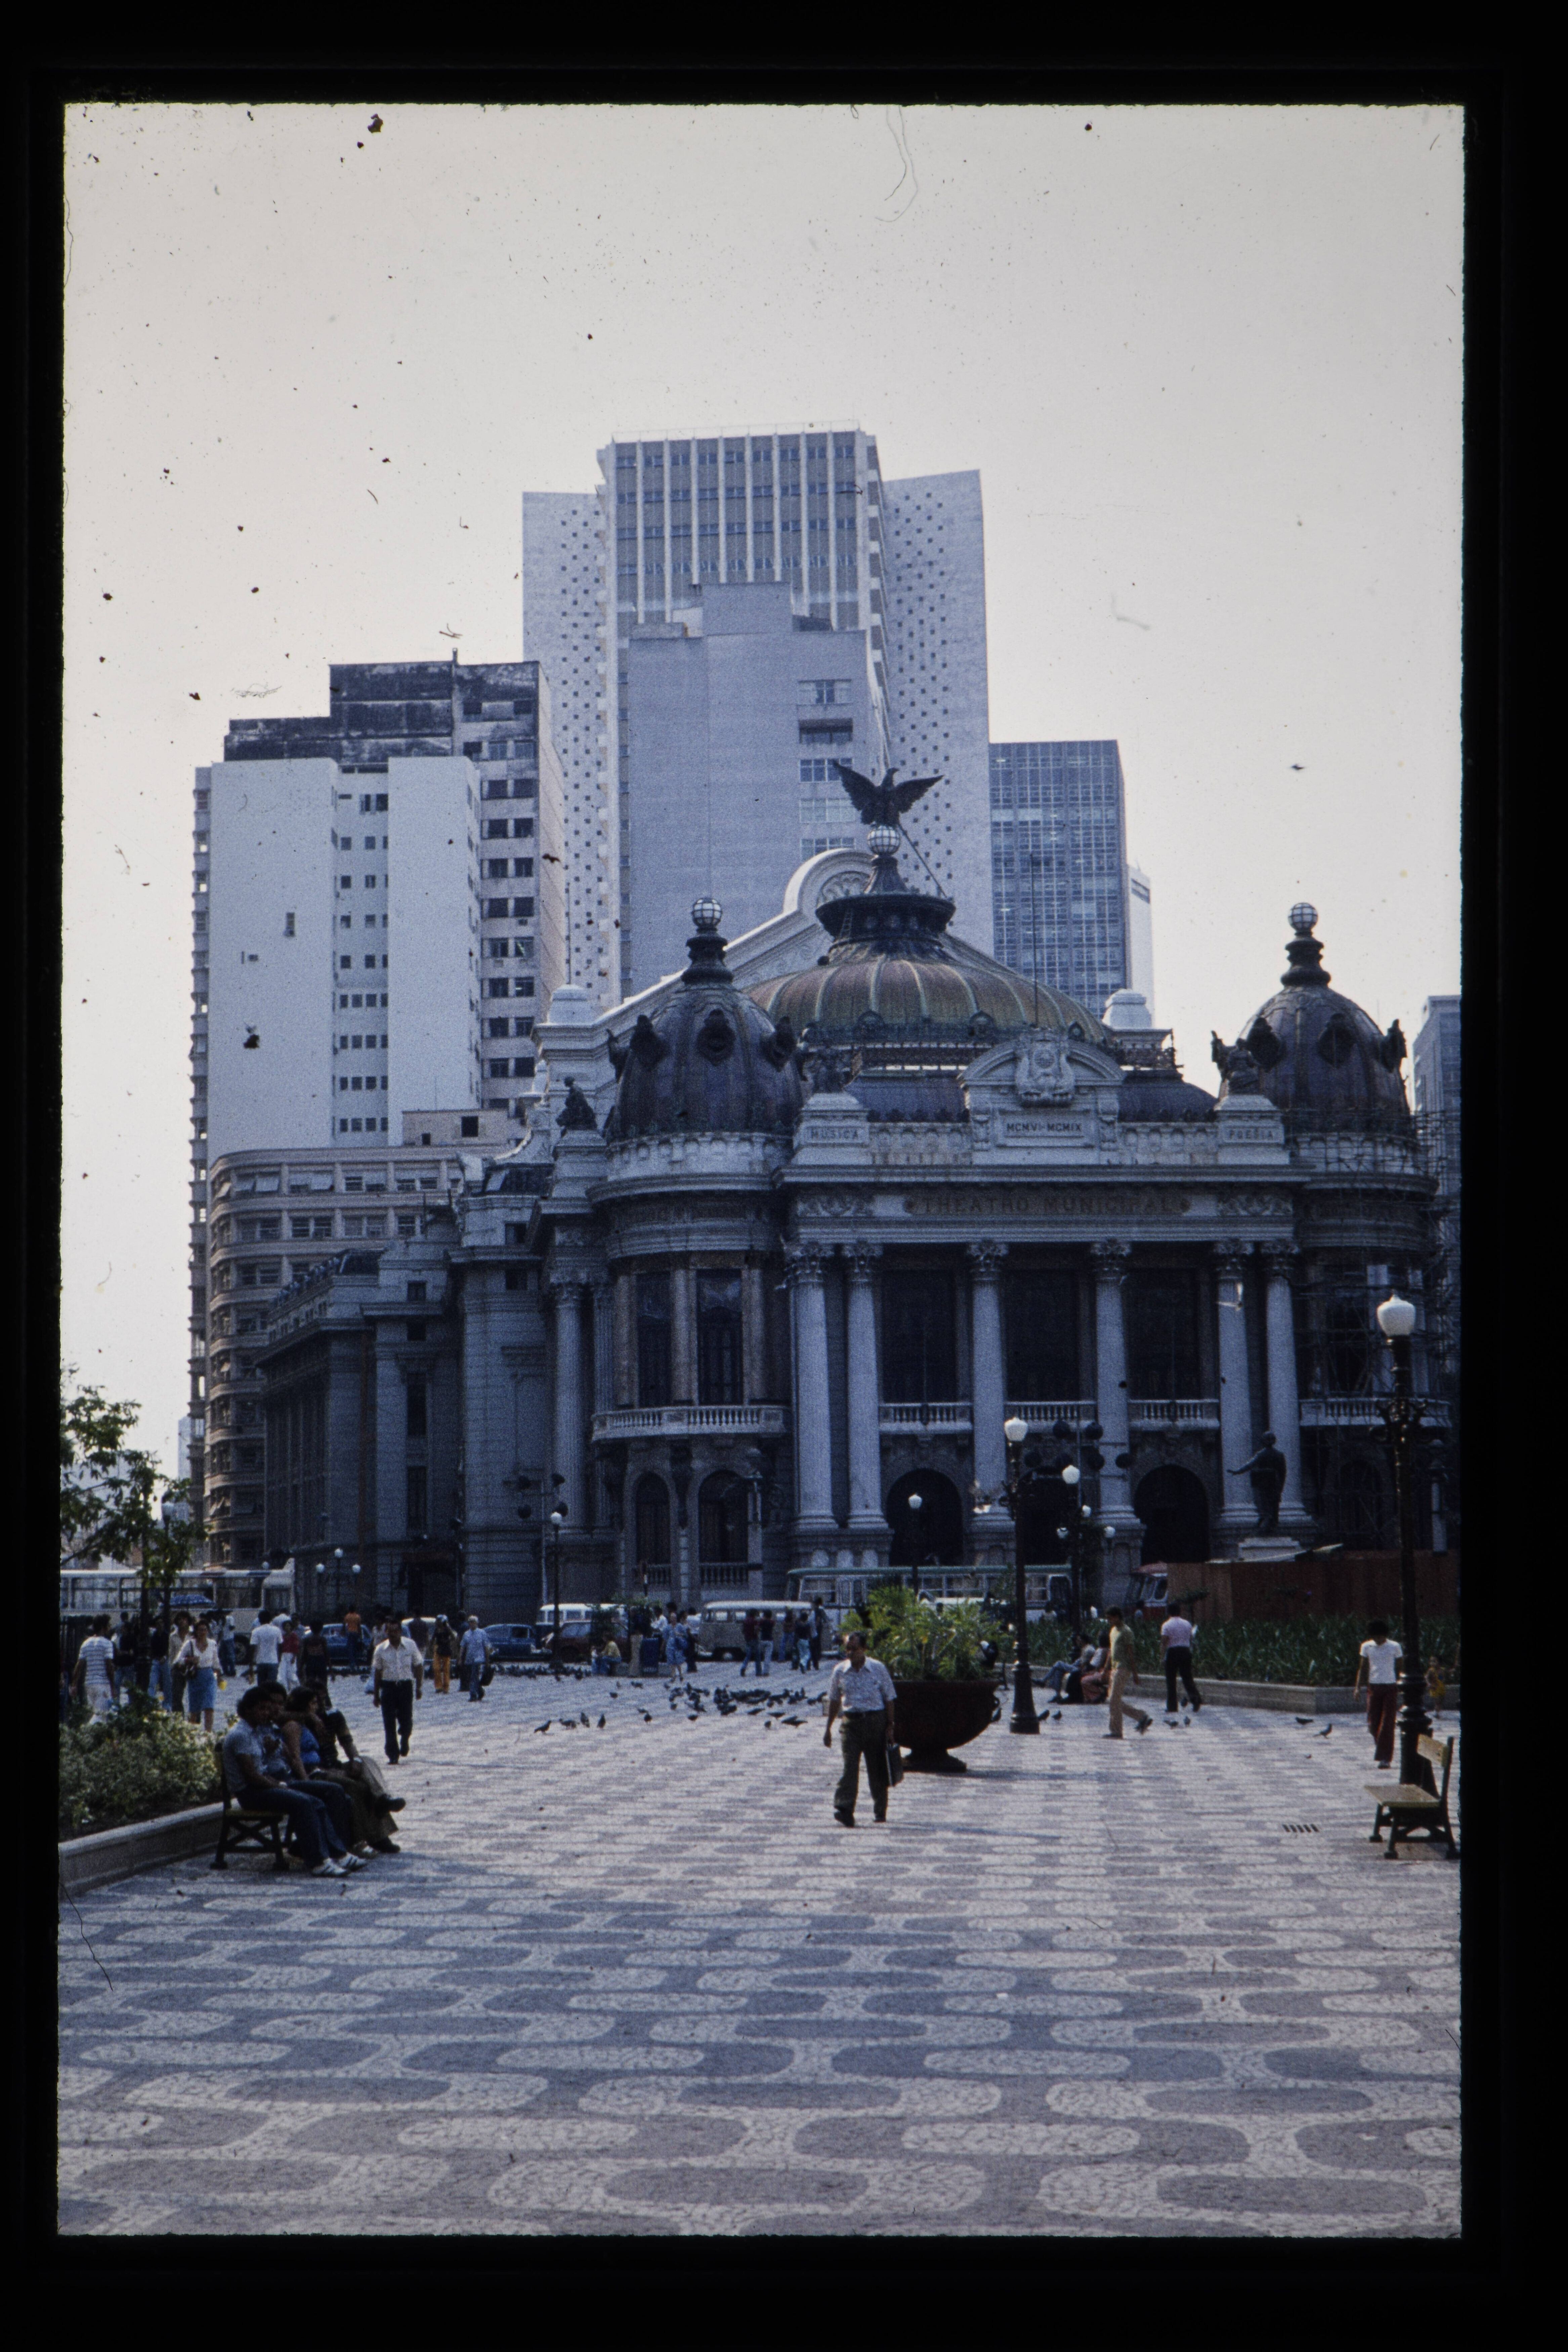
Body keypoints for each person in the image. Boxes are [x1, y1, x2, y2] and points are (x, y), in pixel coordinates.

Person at [220, 1685, 362, 1878]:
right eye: (261, 1709)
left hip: (267, 1784)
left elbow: (274, 1761)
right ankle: (319, 1862)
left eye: (267, 1709)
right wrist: (279, 1786)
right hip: (252, 1793)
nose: (266, 1713)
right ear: (247, 1710)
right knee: (306, 1802)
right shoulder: (241, 1735)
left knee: (332, 1791)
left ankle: (339, 1852)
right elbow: (252, 1776)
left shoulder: (257, 1731)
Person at [280, 1687, 398, 1854]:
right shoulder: (295, 1723)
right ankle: (370, 1838)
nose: (320, 1705)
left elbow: (348, 1742)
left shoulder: (333, 1717)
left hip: (331, 1766)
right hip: (316, 1772)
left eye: (322, 1700)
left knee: (366, 1763)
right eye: (315, 1702)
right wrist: (308, 1717)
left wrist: (355, 1761)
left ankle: (382, 1799)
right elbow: (295, 1755)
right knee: (357, 1788)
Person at [823, 1630, 897, 1827]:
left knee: (877, 1768)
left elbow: (890, 1698)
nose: (850, 1653)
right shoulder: (840, 1671)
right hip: (851, 1724)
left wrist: (890, 1726)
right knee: (850, 1768)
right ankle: (845, 1809)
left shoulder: (878, 1669)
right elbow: (834, 1700)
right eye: (847, 1649)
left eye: (854, 1649)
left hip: (875, 1722)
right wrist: (828, 1728)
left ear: (864, 1649)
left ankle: (880, 1810)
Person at [1352, 1618, 1404, 1768]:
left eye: (1381, 1637)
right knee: (1373, 1724)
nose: (1378, 1640)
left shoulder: (1395, 1647)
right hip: (1374, 1688)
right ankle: (1382, 1748)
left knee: (1387, 1723)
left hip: (1390, 1687)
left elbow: (1401, 1668)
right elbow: (1363, 1668)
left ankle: (1385, 1758)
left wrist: (1401, 1684)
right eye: (1376, 1637)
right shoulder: (1367, 1647)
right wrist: (1358, 1688)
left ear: (1385, 1635)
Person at [373, 1615, 423, 1760]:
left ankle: (405, 1738)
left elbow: (419, 1666)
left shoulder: (411, 1645)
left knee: (407, 1721)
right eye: (390, 1631)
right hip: (388, 1687)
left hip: (405, 1687)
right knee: (389, 1722)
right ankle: (393, 1753)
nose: (393, 1634)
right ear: (386, 1632)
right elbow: (378, 1672)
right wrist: (376, 1694)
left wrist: (419, 1687)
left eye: (396, 1631)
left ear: (401, 1632)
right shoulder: (380, 1650)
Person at [1102, 1608, 1152, 1738]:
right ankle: (1141, 1716)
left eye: (1110, 1618)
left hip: (1123, 1668)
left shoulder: (1127, 1632)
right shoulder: (1113, 1631)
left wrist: (1135, 1674)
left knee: (1114, 1700)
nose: (1109, 1621)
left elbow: (1131, 1654)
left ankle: (1116, 1731)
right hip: (1114, 1669)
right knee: (1113, 1700)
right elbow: (1111, 1651)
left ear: (1117, 1617)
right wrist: (1106, 1669)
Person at [176, 1617, 221, 1732]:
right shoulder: (190, 1644)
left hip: (210, 1677)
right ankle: (192, 1733)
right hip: (195, 1677)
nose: (203, 1632)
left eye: (205, 1630)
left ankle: (208, 1733)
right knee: (194, 1709)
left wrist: (216, 1678)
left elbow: (216, 1664)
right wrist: (190, 1660)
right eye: (200, 1630)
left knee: (209, 1707)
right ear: (196, 1631)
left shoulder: (212, 1644)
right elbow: (178, 1660)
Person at [1159, 1605, 1202, 1715]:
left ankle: (1172, 1707)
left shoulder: (1166, 1625)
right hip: (1185, 1651)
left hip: (1173, 1652)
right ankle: (1196, 1699)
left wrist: (1162, 1657)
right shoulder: (1187, 1624)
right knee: (1188, 1678)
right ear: (1180, 1612)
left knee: (1171, 1680)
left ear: (1169, 1613)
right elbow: (1191, 1638)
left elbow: (1164, 1642)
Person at [72, 1615, 117, 1715]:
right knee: (102, 1715)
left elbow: (79, 1666)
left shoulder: (86, 1644)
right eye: (108, 1626)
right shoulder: (108, 1644)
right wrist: (113, 1687)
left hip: (89, 1684)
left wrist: (74, 1685)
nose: (110, 1628)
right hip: (102, 1683)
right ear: (103, 1628)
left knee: (94, 1713)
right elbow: (109, 1667)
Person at [459, 1616, 490, 1703]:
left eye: (473, 1622)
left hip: (479, 1659)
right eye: (470, 1622)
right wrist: (460, 1658)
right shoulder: (466, 1634)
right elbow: (463, 1647)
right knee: (473, 1677)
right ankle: (480, 1691)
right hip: (469, 1659)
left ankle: (473, 1695)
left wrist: (487, 1660)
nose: (472, 1624)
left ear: (477, 1623)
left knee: (474, 1676)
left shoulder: (482, 1633)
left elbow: (486, 1647)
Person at [168, 1611, 194, 1715]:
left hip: (192, 1668)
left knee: (194, 1696)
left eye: (184, 1619)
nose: (182, 1622)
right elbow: (171, 1655)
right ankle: (179, 1718)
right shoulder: (173, 1637)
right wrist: (174, 1666)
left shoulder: (193, 1636)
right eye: (179, 1619)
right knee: (177, 1697)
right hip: (178, 1669)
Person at [297, 1621, 332, 1695]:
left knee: (310, 1684)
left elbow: (304, 1655)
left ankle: (311, 1697)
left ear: (311, 1629)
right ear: (321, 1629)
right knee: (323, 1684)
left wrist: (300, 1668)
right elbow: (327, 1655)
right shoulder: (322, 1639)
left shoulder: (307, 1640)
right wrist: (331, 1669)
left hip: (310, 1663)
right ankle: (324, 1698)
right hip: (321, 1663)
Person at [250, 1611, 284, 1688]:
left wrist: (251, 1665)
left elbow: (252, 1648)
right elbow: (281, 1645)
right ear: (271, 1619)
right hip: (273, 1661)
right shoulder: (277, 1630)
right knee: (272, 1686)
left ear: (259, 1620)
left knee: (262, 1686)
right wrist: (279, 1659)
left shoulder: (256, 1631)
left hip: (261, 1661)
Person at [430, 1614, 454, 1694]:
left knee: (446, 1669)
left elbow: (453, 1637)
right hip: (438, 1648)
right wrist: (431, 1646)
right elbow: (433, 1638)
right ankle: (439, 1686)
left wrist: (448, 1641)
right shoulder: (437, 1629)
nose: (437, 1622)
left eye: (439, 1621)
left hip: (446, 1648)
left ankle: (446, 1687)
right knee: (436, 1668)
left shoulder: (448, 1628)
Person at [279, 1616, 301, 1693]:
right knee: (283, 1673)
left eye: (289, 1626)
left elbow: (296, 1647)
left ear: (291, 1627)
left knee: (292, 1673)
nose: (287, 1628)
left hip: (291, 1655)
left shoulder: (294, 1636)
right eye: (286, 1626)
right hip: (284, 1655)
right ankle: (285, 1689)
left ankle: (295, 1689)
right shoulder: (283, 1636)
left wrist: (294, 1657)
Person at [739, 1608, 761, 1678]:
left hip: (748, 1640)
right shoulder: (755, 1622)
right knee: (757, 1656)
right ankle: (759, 1672)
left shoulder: (745, 1621)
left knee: (748, 1656)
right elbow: (756, 1630)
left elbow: (743, 1631)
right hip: (754, 1639)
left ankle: (743, 1668)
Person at [342, 1602, 363, 1673]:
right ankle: (356, 1663)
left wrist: (344, 1632)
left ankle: (352, 1663)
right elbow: (359, 1627)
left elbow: (344, 1625)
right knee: (355, 1648)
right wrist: (361, 1635)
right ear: (355, 1610)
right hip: (356, 1633)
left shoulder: (347, 1616)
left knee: (350, 1648)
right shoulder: (358, 1617)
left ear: (349, 1610)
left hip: (350, 1633)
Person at [1426, 1654, 1447, 1720]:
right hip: (1434, 1688)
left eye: (1434, 1662)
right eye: (1431, 1661)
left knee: (1441, 1700)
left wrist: (1443, 1676)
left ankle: (1438, 1711)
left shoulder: (1442, 1670)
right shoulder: (1431, 1671)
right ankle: (1436, 1713)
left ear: (1440, 1663)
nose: (1432, 1663)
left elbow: (1442, 1678)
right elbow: (1427, 1678)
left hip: (1441, 1688)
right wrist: (1429, 1684)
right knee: (1437, 1701)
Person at [758, 1607, 775, 1677]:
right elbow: (772, 1622)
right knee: (768, 1657)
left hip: (763, 1640)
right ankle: (766, 1672)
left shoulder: (762, 1622)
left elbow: (759, 1627)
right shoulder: (772, 1622)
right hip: (770, 1640)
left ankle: (759, 1670)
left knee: (760, 1656)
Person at [810, 1603, 826, 1672]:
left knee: (813, 1649)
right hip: (816, 1633)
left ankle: (811, 1664)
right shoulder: (818, 1611)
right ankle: (816, 1663)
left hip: (814, 1634)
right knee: (816, 1647)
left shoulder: (815, 1613)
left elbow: (818, 1620)